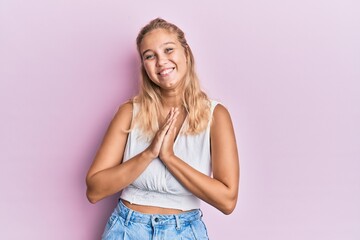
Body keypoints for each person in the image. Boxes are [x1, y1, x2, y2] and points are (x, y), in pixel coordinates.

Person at [86, 18, 239, 240]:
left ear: (186, 53)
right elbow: (94, 190)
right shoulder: (128, 112)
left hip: (184, 230)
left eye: (168, 50)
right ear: (144, 65)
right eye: (150, 56)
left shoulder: (216, 115)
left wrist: (169, 157)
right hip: (127, 228)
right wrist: (149, 154)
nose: (161, 61)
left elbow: (227, 201)